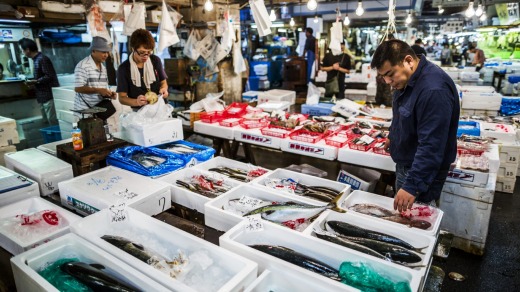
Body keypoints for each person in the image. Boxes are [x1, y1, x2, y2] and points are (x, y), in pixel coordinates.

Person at [370, 39, 459, 212]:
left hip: (420, 170)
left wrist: (412, 186)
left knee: (417, 219)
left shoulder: (434, 90)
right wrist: (393, 135)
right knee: (405, 217)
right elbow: (403, 112)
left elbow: (432, 145)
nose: (388, 81)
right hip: (407, 162)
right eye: (384, 77)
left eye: (390, 74)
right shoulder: (407, 78)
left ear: (409, 61)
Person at [117, 29, 168, 109]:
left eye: (149, 52)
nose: (146, 56)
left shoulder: (155, 61)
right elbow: (122, 98)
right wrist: (136, 102)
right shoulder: (124, 68)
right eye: (142, 52)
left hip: (160, 108)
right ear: (133, 49)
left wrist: (164, 90)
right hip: (139, 113)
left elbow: (163, 83)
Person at [19, 38, 59, 125]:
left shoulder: (42, 59)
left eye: (22, 50)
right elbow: (42, 78)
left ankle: (59, 138)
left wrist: (36, 81)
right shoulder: (36, 60)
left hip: (49, 96)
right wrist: (34, 83)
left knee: (52, 121)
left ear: (27, 50)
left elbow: (49, 76)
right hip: (42, 96)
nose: (22, 52)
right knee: (47, 121)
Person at [73, 36, 116, 116]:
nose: (106, 55)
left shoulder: (103, 68)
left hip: (98, 111)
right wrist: (99, 90)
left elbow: (102, 88)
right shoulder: (82, 66)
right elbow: (78, 88)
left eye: (107, 52)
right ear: (93, 51)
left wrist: (109, 94)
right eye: (103, 52)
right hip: (84, 113)